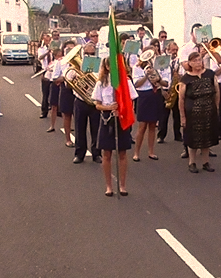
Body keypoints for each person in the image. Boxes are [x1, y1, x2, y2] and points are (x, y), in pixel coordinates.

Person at [92, 60, 138, 196]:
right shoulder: (101, 83)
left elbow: (132, 101)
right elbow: (97, 104)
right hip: (107, 118)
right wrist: (109, 108)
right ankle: (108, 186)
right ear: (106, 67)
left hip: (122, 118)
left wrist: (123, 111)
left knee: (122, 153)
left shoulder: (126, 82)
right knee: (106, 154)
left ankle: (122, 185)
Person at [179, 51, 219, 173]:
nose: (198, 62)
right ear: (189, 63)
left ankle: (206, 162)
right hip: (192, 113)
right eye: (195, 61)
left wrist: (216, 108)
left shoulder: (210, 74)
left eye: (199, 60)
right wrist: (183, 117)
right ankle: (192, 162)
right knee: (193, 138)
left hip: (208, 111)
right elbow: (181, 99)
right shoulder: (186, 78)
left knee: (207, 137)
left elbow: (217, 92)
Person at [132, 47, 165, 162]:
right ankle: (136, 153)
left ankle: (151, 151)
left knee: (152, 125)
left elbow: (163, 81)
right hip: (144, 95)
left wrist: (155, 74)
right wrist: (146, 75)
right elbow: (136, 84)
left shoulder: (158, 65)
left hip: (155, 94)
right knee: (142, 126)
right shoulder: (137, 67)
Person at [71, 42, 102, 165]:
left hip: (94, 102)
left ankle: (97, 154)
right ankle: (79, 154)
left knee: (96, 129)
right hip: (80, 100)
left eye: (92, 53)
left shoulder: (99, 65)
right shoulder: (77, 66)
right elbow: (68, 79)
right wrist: (75, 78)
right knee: (79, 128)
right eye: (87, 54)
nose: (89, 56)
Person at [157, 41, 182, 144]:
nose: (174, 52)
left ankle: (178, 135)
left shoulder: (179, 61)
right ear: (167, 50)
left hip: (176, 89)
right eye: (173, 50)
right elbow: (157, 76)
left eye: (176, 50)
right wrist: (162, 91)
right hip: (165, 89)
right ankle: (161, 135)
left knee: (177, 114)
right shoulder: (161, 60)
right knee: (164, 115)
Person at [52, 41, 74, 143]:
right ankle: (68, 139)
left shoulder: (83, 60)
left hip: (79, 92)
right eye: (68, 49)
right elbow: (55, 78)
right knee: (67, 115)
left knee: (80, 118)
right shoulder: (60, 62)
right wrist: (67, 77)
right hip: (66, 90)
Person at [46, 47, 64, 133]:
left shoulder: (65, 62)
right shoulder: (54, 63)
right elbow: (53, 76)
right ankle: (52, 126)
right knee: (54, 106)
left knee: (65, 108)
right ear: (55, 56)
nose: (61, 57)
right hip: (55, 84)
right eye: (58, 55)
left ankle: (66, 125)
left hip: (63, 84)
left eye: (61, 55)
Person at [37, 32, 52, 118]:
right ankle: (44, 111)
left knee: (54, 91)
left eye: (49, 40)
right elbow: (40, 58)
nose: (48, 41)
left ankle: (57, 110)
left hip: (53, 71)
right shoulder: (41, 48)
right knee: (45, 92)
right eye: (46, 40)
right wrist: (47, 52)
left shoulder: (55, 47)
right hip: (45, 71)